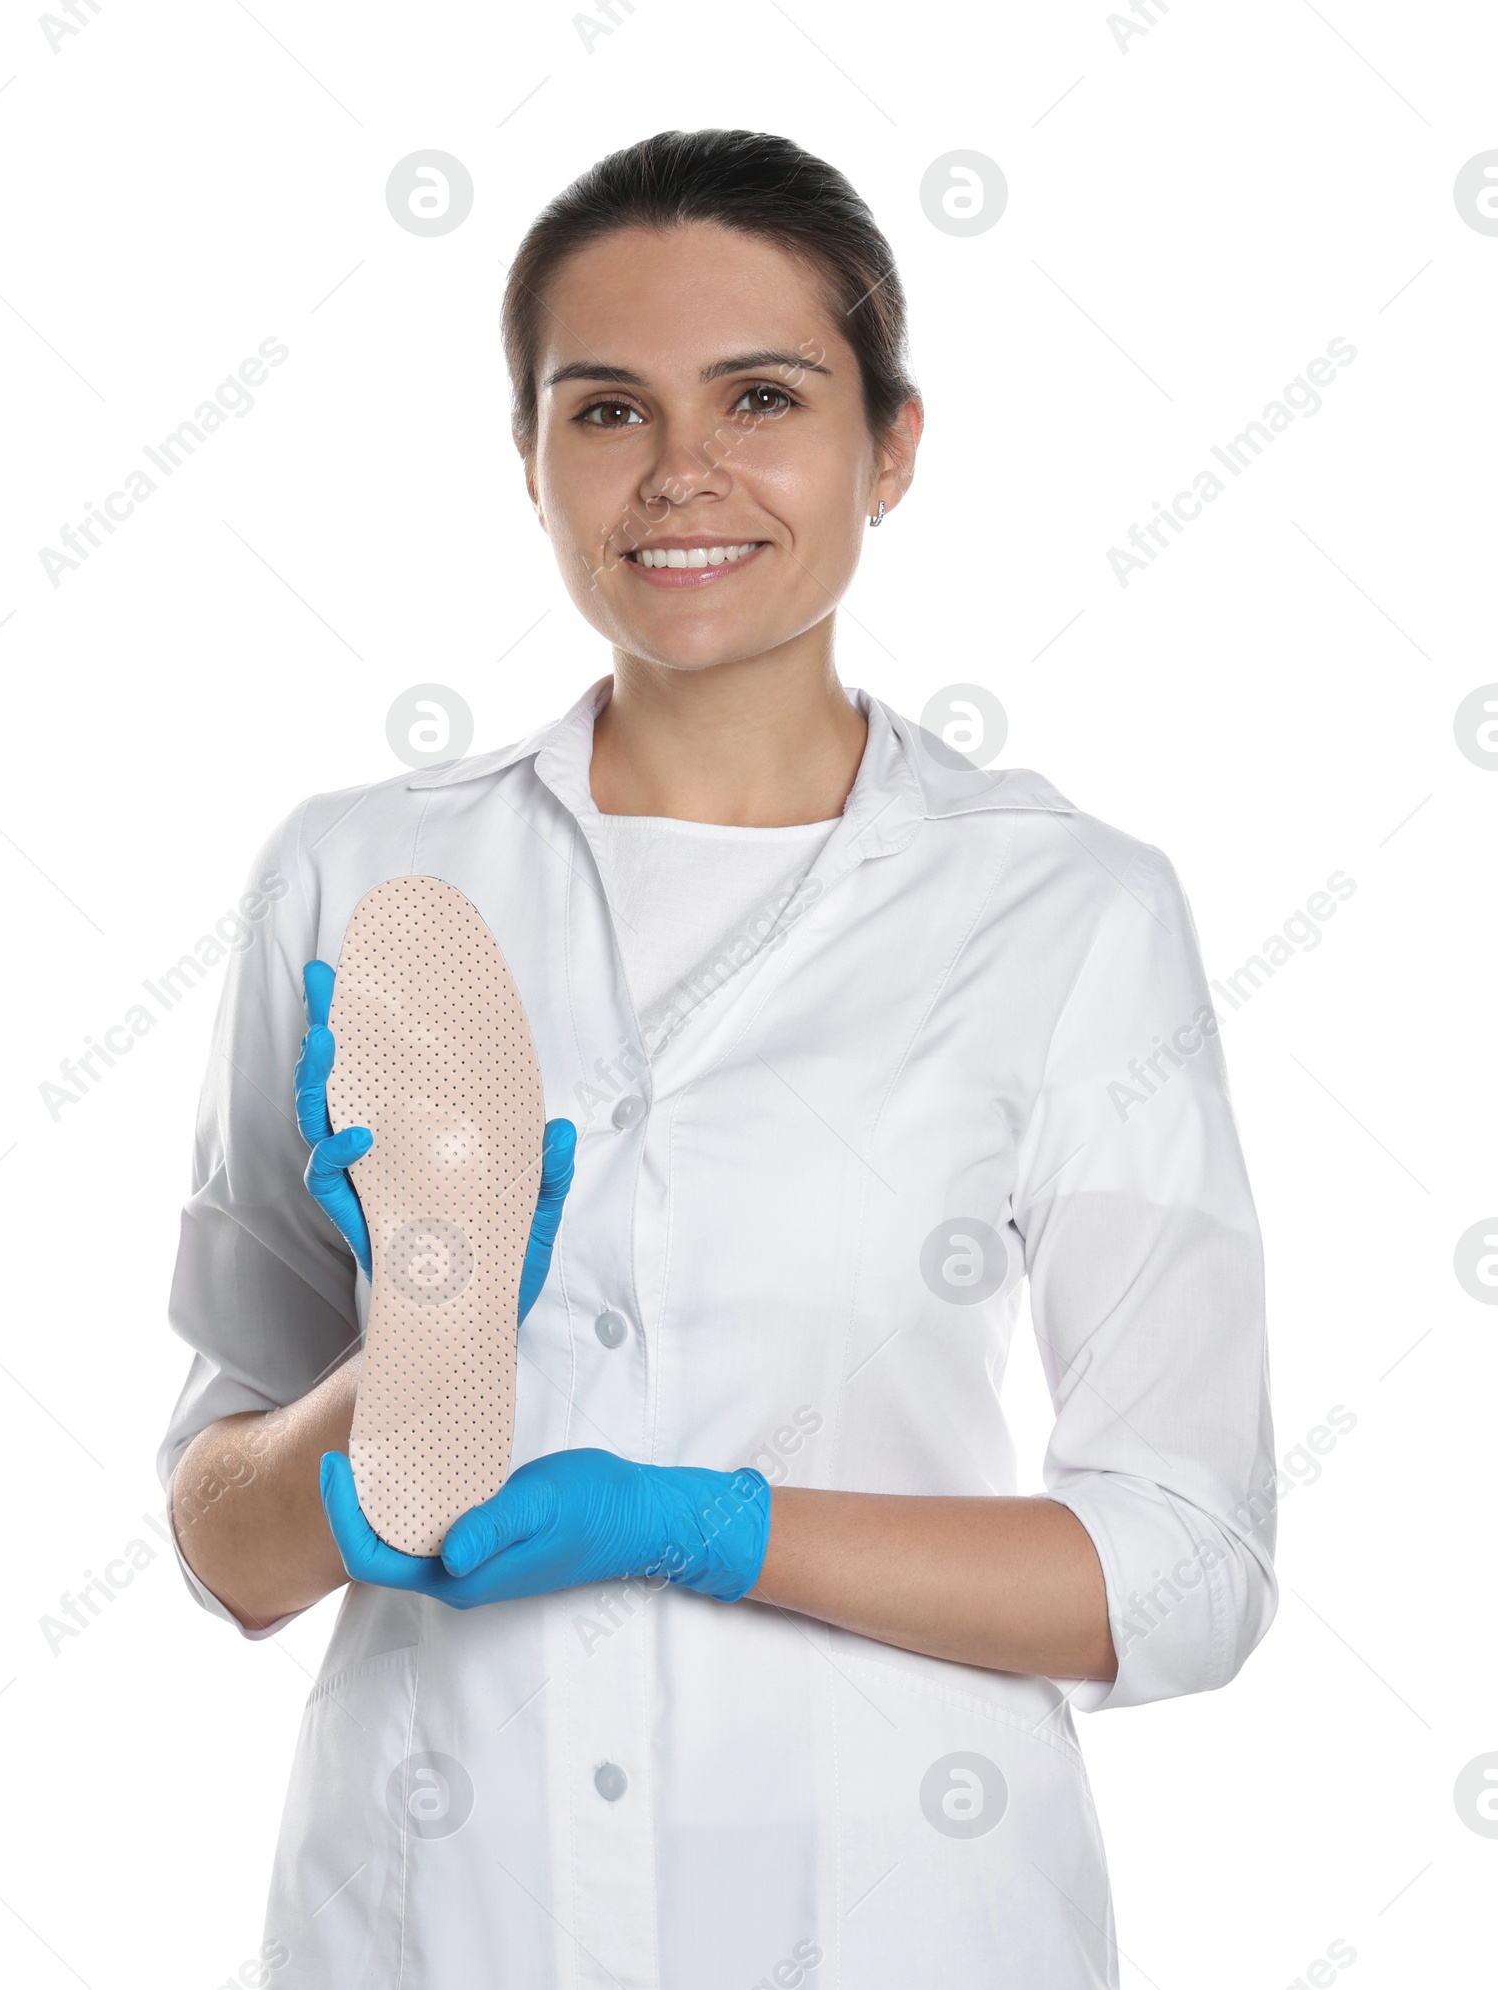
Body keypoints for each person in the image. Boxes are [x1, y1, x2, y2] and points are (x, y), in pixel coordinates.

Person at [159, 127, 1276, 1988]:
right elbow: (226, 1539)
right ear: (528, 460)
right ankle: (432, 1354)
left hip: (904, 1916)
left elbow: (1185, 1564)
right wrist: (368, 1437)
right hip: (451, 1903)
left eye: (761, 396)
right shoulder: (361, 873)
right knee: (380, 1393)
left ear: (892, 443)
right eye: (605, 411)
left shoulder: (1067, 908)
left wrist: (705, 1524)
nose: (681, 472)